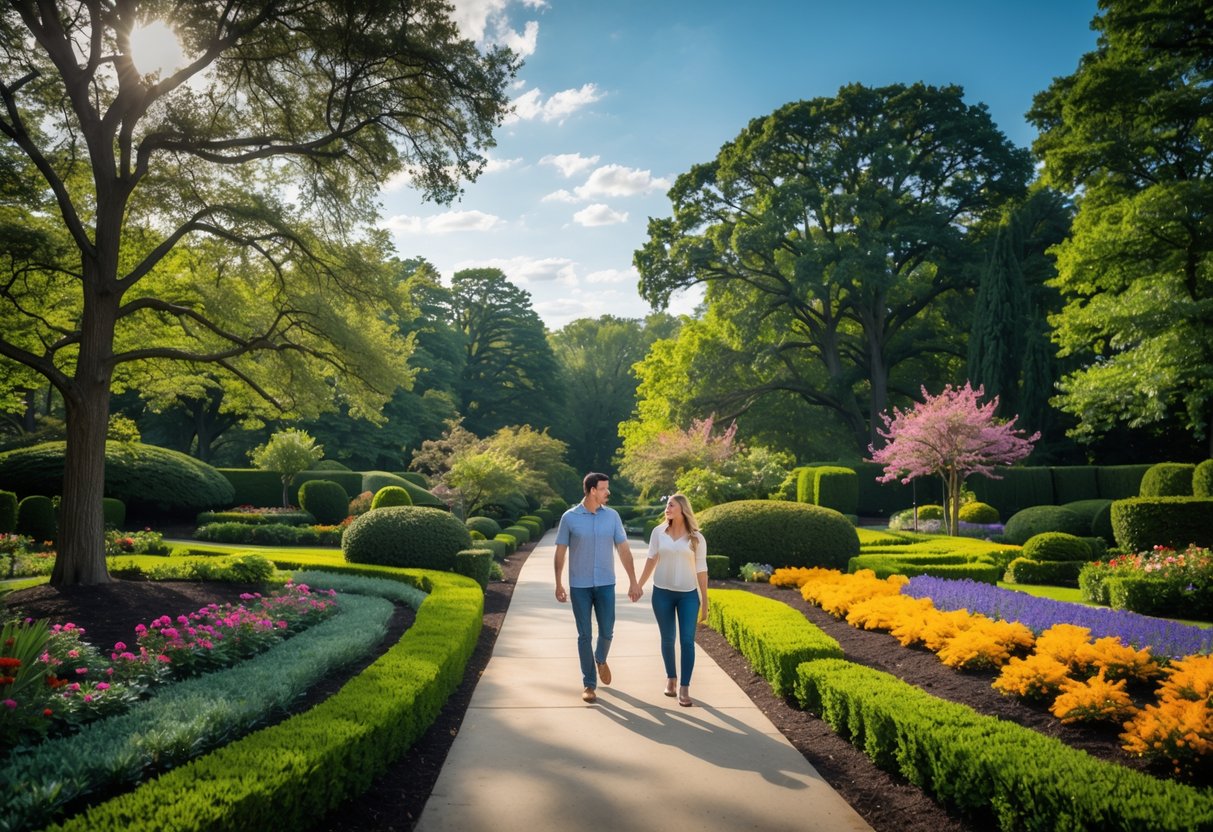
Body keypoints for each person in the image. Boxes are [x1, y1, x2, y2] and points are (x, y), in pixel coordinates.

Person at [554, 472, 642, 704]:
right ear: (592, 490)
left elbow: (623, 550)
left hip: (605, 584)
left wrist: (633, 581)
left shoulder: (612, 517)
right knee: (584, 635)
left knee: (607, 631)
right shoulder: (569, 518)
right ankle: (589, 684)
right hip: (579, 586)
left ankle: (600, 658)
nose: (607, 492)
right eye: (604, 488)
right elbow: (560, 552)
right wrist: (558, 582)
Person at [636, 493, 708, 707]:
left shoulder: (696, 538)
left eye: (671, 505)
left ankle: (684, 687)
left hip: (688, 596)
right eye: (667, 504)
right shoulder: (658, 532)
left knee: (687, 641)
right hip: (662, 594)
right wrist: (638, 585)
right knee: (667, 639)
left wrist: (705, 601)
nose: (667, 508)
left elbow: (702, 570)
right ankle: (671, 678)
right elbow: (651, 559)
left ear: (682, 509)